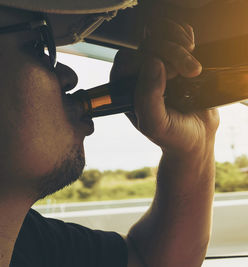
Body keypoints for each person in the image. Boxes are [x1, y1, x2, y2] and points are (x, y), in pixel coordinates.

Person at [0, 0, 219, 266]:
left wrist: (194, 150)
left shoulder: (27, 240)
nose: (69, 77)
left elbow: (151, 261)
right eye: (37, 47)